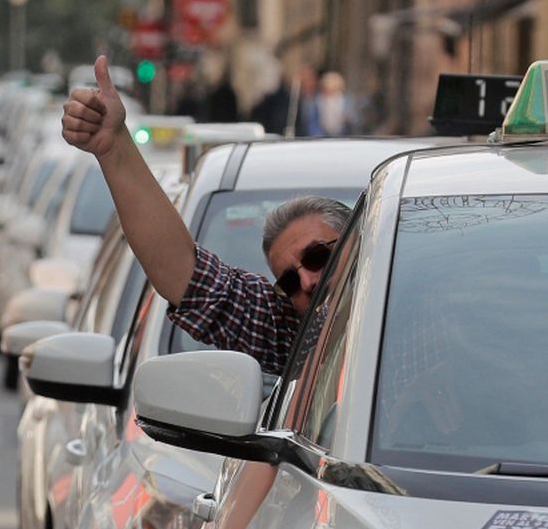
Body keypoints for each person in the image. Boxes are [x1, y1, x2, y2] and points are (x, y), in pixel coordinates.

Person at [61, 55, 350, 373]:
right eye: (289, 282)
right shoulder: (301, 339)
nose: (307, 282)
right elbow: (186, 276)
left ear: (358, 244)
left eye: (317, 257)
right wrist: (113, 146)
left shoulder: (411, 306)